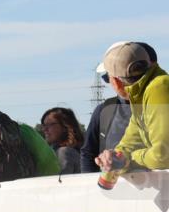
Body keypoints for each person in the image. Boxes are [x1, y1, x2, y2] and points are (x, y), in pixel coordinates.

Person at [82, 42, 157, 173]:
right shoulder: (104, 111)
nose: (115, 82)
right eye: (108, 77)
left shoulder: (159, 104)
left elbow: (161, 153)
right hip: (114, 185)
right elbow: (88, 154)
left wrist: (125, 160)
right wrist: (91, 183)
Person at [96, 42, 169, 173]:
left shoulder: (158, 88)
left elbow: (163, 155)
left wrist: (129, 160)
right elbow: (129, 144)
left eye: (108, 78)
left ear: (116, 82)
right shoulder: (141, 95)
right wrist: (113, 156)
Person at [40, 107, 84, 175]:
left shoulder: (64, 152)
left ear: (64, 127)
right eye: (44, 125)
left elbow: (58, 181)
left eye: (50, 124)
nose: (45, 129)